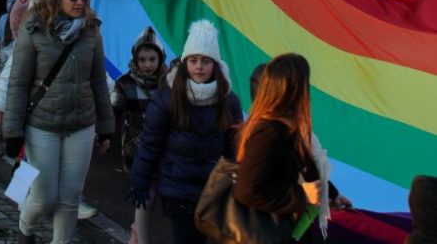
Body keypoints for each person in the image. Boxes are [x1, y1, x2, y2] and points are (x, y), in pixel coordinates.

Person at [3, 0, 114, 244]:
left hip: (81, 124)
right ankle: (25, 228)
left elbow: (99, 81)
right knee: (44, 197)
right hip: (43, 123)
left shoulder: (91, 29)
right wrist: (12, 130)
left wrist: (106, 126)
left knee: (70, 198)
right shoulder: (34, 27)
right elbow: (18, 82)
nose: (80, 2)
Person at [130, 19, 242, 244]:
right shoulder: (168, 97)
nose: (199, 66)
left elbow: (235, 146)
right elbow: (150, 144)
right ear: (185, 61)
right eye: (193, 60)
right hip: (177, 189)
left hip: (213, 189)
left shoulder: (228, 100)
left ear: (215, 64)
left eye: (205, 61)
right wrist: (139, 182)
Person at [233, 53, 323, 241]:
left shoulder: (286, 126)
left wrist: (332, 195)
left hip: (285, 227)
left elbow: (303, 162)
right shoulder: (269, 132)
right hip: (268, 231)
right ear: (290, 91)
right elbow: (246, 190)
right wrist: (302, 194)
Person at [111, 27, 166, 244]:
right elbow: (113, 109)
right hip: (135, 148)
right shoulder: (125, 83)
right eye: (142, 59)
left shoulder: (168, 84)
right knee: (145, 193)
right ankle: (140, 235)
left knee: (154, 195)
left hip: (161, 146)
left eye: (152, 59)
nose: (147, 64)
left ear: (160, 58)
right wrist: (104, 134)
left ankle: (138, 229)